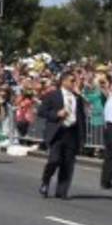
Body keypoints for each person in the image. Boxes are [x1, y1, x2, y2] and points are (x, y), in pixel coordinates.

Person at [38, 71, 85, 199]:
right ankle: (45, 182)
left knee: (68, 163)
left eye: (75, 81)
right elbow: (41, 111)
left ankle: (62, 190)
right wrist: (56, 114)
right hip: (58, 132)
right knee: (54, 160)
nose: (74, 83)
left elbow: (81, 119)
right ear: (63, 81)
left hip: (71, 132)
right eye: (71, 81)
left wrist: (82, 138)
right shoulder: (53, 95)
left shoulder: (77, 98)